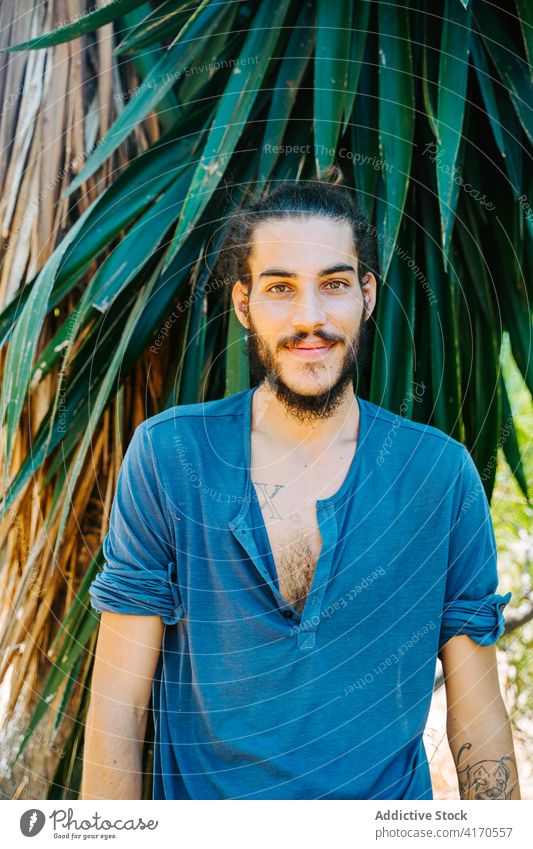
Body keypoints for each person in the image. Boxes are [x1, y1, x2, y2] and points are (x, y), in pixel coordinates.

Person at [82, 180, 520, 800]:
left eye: (335, 284)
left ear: (366, 296)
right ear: (243, 304)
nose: (309, 316)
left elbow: (477, 720)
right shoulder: (169, 459)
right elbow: (117, 710)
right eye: (280, 287)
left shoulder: (439, 478)